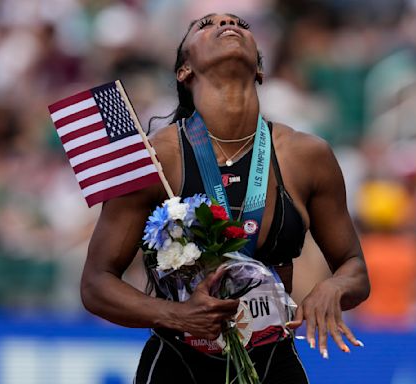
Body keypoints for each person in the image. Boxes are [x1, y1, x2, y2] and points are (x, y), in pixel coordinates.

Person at [80, 13, 370, 384]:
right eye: (205, 25)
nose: (226, 25)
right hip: (178, 364)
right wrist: (177, 315)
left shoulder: (307, 156)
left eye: (240, 24)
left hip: (271, 365)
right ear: (185, 70)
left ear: (260, 70)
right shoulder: (155, 158)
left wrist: (334, 287)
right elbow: (95, 283)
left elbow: (354, 267)